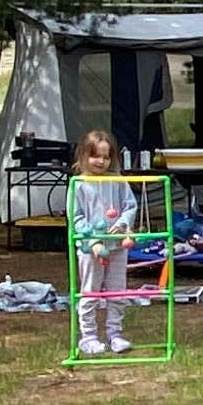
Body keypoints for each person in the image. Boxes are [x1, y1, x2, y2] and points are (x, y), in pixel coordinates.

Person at [66, 129, 140, 355]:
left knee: (117, 292)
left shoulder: (116, 180)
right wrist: (92, 239)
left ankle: (114, 334)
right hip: (91, 248)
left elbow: (130, 205)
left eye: (106, 157)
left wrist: (123, 223)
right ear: (84, 156)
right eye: (96, 156)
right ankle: (88, 336)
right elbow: (75, 216)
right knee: (90, 292)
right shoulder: (78, 184)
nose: (101, 161)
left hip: (117, 245)